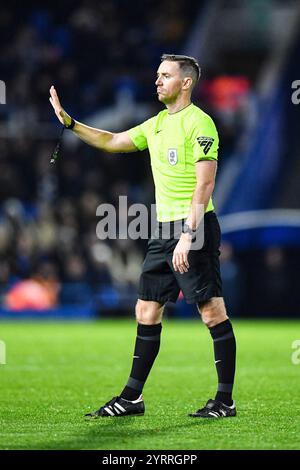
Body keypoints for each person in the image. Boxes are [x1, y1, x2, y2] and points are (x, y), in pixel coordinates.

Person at [49, 54, 237, 419]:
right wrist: (71, 124)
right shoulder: (156, 124)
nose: (157, 81)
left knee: (211, 311)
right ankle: (132, 398)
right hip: (163, 230)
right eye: (157, 75)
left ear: (186, 83)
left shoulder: (201, 123)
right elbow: (113, 140)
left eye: (165, 75)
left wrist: (188, 235)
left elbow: (205, 184)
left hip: (192, 228)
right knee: (146, 309)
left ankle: (224, 400)